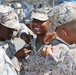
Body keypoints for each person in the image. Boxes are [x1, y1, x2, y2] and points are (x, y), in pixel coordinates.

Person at [41, 2, 76, 75]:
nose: (55, 33)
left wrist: (49, 58)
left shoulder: (71, 57)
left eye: (56, 31)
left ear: (64, 33)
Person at [0, 5, 32, 75]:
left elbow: (21, 27)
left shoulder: (5, 35)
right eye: (9, 27)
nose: (13, 30)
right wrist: (17, 57)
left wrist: (23, 34)